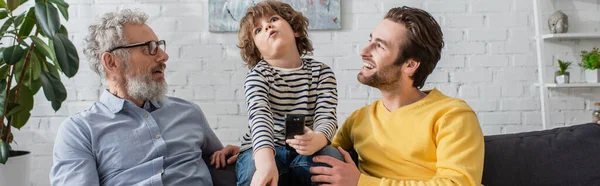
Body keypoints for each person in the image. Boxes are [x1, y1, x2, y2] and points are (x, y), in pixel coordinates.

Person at [308, 6, 485, 186]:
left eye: (379, 46)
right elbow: (325, 161)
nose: (363, 51)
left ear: (410, 65)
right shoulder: (359, 119)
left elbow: (457, 184)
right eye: (370, 40)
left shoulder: (451, 115)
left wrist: (361, 182)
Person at [50, 9, 223, 186]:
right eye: (149, 48)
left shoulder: (189, 113)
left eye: (159, 46)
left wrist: (243, 154)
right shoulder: (80, 131)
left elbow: (224, 164)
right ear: (111, 62)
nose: (163, 56)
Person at [211, 0, 344, 185]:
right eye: (258, 30)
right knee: (253, 170)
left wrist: (319, 139)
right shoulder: (257, 76)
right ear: (256, 50)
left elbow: (326, 116)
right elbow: (260, 118)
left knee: (330, 159)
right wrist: (265, 163)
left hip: (307, 148)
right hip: (264, 148)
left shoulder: (322, 72)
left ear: (295, 30)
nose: (267, 27)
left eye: (273, 19)